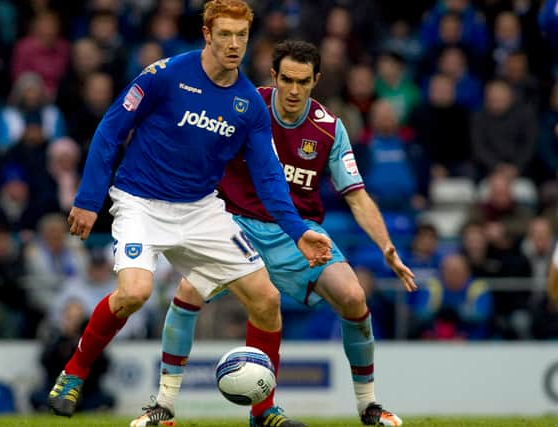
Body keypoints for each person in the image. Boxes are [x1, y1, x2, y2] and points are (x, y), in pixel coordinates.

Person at [47, 3, 332, 427]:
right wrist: (90, 200)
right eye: (225, 35)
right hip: (140, 202)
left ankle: (264, 411)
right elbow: (111, 129)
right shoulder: (165, 75)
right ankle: (75, 372)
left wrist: (297, 231)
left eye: (242, 35)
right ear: (207, 34)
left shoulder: (248, 105)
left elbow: (270, 178)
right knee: (134, 293)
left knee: (267, 299)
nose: (234, 44)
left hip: (201, 209)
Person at [133, 40, 417, 427]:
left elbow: (357, 196)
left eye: (303, 81)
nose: (294, 90)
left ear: (316, 80)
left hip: (298, 234)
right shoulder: (245, 107)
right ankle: (163, 407)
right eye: (287, 80)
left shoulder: (330, 129)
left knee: (353, 296)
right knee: (187, 293)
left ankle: (368, 406)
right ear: (274, 76)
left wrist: (386, 248)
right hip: (235, 225)